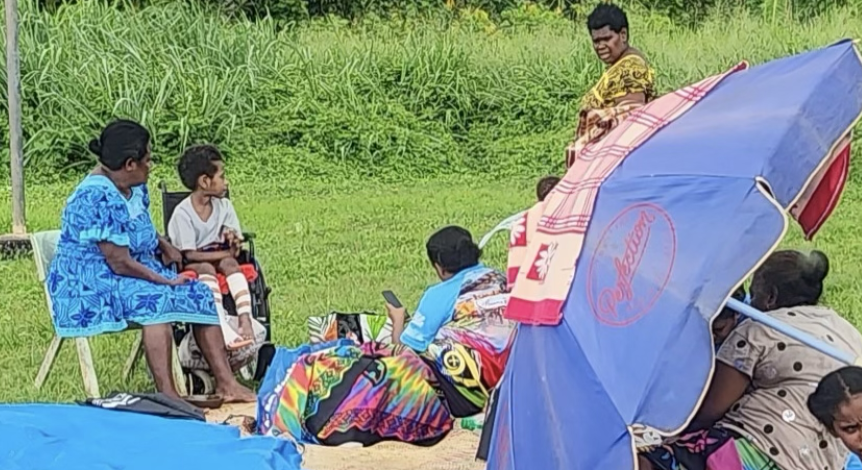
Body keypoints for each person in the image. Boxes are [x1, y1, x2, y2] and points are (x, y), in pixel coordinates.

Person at [46, 119, 255, 403]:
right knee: (155, 301)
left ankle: (226, 383)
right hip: (92, 280)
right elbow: (118, 262)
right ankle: (168, 395)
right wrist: (163, 279)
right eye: (148, 159)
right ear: (130, 164)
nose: (151, 164)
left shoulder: (134, 185)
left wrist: (163, 243)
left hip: (132, 270)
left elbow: (139, 225)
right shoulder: (94, 197)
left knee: (198, 292)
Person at [257, 226, 513, 446]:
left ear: (439, 265)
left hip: (457, 392)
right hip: (501, 386)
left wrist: (398, 319)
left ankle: (289, 368)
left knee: (359, 355)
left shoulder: (441, 293)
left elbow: (404, 352)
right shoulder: (500, 279)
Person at [640, 249, 862, 470]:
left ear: (770, 297)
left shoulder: (758, 330)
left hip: (758, 447)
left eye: (755, 293)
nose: (750, 304)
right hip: (824, 461)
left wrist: (663, 435)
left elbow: (711, 409)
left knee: (645, 461)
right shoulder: (850, 334)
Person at [167, 144, 267, 373]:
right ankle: (220, 321)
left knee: (232, 264)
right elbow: (188, 253)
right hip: (194, 259)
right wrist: (225, 253)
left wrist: (233, 241)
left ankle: (244, 318)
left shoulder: (224, 207)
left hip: (220, 255)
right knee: (205, 267)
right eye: (221, 176)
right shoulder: (183, 214)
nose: (226, 182)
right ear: (204, 181)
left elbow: (234, 242)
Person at [566, 3, 656, 168]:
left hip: (615, 163)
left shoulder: (629, 68)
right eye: (596, 41)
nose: (600, 46)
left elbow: (629, 117)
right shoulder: (620, 66)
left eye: (606, 39)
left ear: (623, 34)